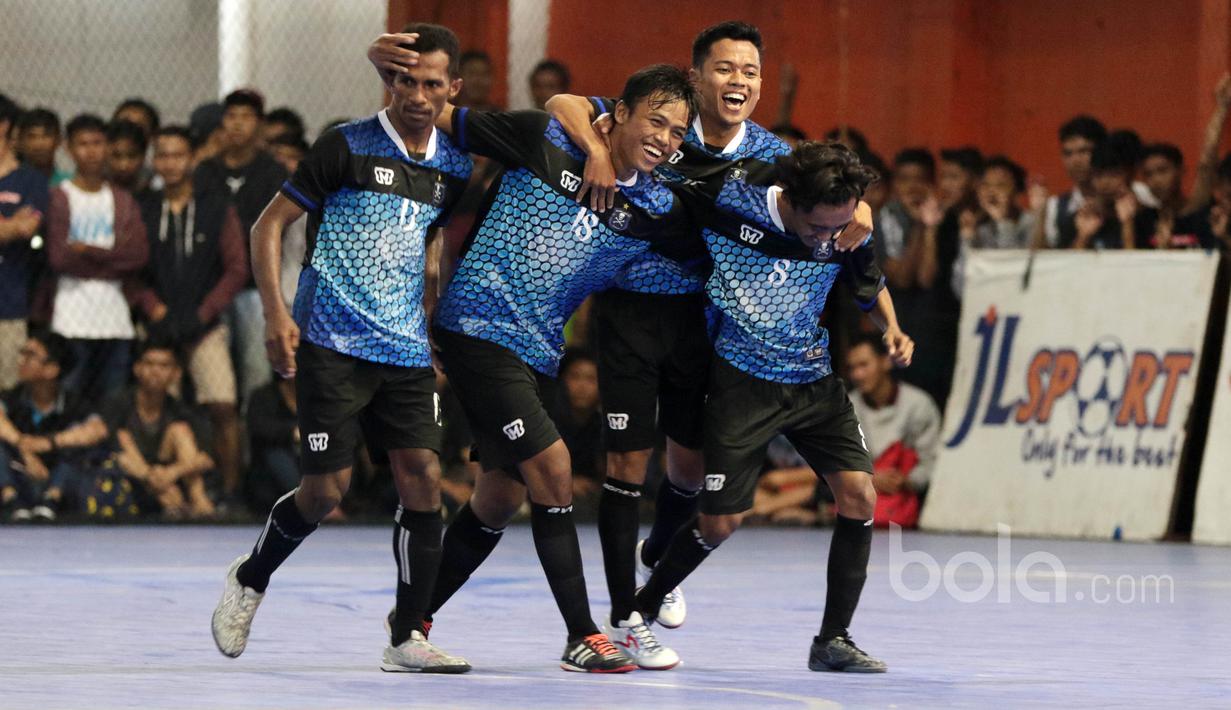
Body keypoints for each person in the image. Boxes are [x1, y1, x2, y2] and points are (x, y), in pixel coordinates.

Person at [540, 22, 869, 668]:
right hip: (630, 309)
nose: (737, 82)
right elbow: (565, 105)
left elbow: (831, 197)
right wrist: (598, 152)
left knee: (688, 469)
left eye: (749, 71)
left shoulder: (773, 151)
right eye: (724, 69)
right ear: (697, 77)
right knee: (627, 466)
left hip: (703, 321)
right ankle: (620, 618)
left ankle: (659, 558)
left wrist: (864, 212)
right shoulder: (664, 121)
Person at [210, 24, 474, 674]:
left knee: (423, 480)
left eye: (431, 84)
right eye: (405, 80)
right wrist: (276, 313)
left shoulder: (454, 164)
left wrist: (432, 311)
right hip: (330, 340)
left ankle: (406, 635)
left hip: (406, 348)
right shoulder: (346, 146)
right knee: (325, 491)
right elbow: (269, 223)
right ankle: (251, 575)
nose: (416, 94)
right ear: (390, 80)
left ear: (453, 89)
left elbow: (430, 237)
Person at [631, 141, 912, 673]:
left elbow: (868, 286)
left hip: (814, 383)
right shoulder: (729, 202)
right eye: (816, 229)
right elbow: (661, 169)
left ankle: (833, 639)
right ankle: (637, 614)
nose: (827, 239)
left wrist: (892, 330)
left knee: (858, 495)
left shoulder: (848, 226)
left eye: (838, 226)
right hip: (740, 383)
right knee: (720, 524)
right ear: (791, 202)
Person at [131, 126, 248, 501]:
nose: (169, 163)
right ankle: (167, 494)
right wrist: (154, 308)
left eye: (177, 155)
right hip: (157, 326)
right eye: (162, 155)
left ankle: (229, 493)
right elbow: (128, 269)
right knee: (161, 406)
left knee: (223, 404)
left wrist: (204, 312)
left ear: (193, 158)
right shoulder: (142, 206)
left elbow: (236, 270)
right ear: (154, 161)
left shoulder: (216, 208)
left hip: (205, 324)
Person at [194, 89, 289, 406]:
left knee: (255, 368)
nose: (237, 124)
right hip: (210, 283)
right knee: (214, 375)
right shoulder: (205, 171)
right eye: (231, 116)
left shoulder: (273, 173)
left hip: (255, 286)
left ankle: (253, 445)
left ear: (260, 126)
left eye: (246, 117)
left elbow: (278, 229)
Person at [46, 114, 149, 403]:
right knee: (70, 397)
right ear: (68, 149)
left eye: (98, 143)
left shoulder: (121, 199)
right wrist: (113, 260)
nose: (91, 151)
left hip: (114, 317)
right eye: (83, 143)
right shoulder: (59, 197)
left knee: (113, 400)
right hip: (70, 316)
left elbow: (138, 255)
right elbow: (60, 258)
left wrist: (88, 250)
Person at [98, 337, 214, 519]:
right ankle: (172, 501)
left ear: (176, 373)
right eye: (150, 364)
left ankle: (199, 502)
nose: (155, 371)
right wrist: (152, 479)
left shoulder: (180, 409)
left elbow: (206, 457)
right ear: (137, 369)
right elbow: (112, 449)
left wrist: (170, 474)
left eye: (164, 366)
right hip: (132, 479)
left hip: (171, 478)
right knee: (122, 437)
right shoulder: (119, 403)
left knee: (180, 431)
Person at [0, 329, 107, 521]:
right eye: (22, 354)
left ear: (52, 369)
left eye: (30, 355)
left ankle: (50, 501)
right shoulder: (13, 397)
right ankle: (10, 500)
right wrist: (23, 445)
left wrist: (50, 442)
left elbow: (98, 430)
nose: (21, 361)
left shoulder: (73, 403)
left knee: (78, 443)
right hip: (19, 475)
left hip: (60, 479)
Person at [846, 334, 939, 529]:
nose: (857, 375)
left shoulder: (918, 405)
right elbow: (840, 460)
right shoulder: (848, 407)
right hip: (858, 496)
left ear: (886, 362)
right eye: (852, 368)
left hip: (905, 503)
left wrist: (905, 481)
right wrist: (870, 479)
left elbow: (931, 462)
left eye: (864, 365)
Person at [0, 94, 50, 390]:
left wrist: (19, 227)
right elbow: (16, 227)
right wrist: (10, 224)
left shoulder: (30, 180)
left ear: (4, 125)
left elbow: (29, 228)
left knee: (7, 395)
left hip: (8, 306)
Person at [951, 155, 1035, 296]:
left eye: (1001, 185)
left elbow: (1014, 277)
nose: (991, 192)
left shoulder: (1031, 223)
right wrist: (967, 239)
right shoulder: (980, 229)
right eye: (986, 185)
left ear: (1017, 192)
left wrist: (1003, 223)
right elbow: (960, 288)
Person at [1034, 115, 1106, 248]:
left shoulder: (1136, 196)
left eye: (1084, 151)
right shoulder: (1054, 207)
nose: (1075, 161)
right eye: (1068, 154)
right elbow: (1045, 261)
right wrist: (1040, 215)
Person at [15, 108, 72, 186]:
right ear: (20, 141)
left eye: (46, 135)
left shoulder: (69, 185)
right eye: (31, 136)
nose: (39, 144)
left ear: (58, 140)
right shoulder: (8, 183)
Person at [106, 120, 150, 195]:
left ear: (143, 156)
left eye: (132, 156)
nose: (124, 166)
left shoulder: (156, 193)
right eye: (116, 156)